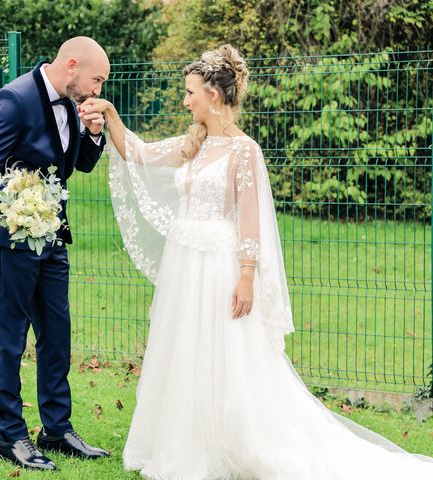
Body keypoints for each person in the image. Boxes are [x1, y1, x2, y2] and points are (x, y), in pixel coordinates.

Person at [80, 44, 433, 479]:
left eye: (190, 92)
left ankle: (232, 442)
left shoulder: (244, 151)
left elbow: (251, 222)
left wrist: (246, 277)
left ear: (213, 95)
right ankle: (181, 445)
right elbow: (139, 153)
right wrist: (111, 116)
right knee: (184, 350)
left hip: (217, 267)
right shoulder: (195, 143)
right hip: (185, 265)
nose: (184, 100)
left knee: (223, 357)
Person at [0, 36, 111, 471]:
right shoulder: (13, 99)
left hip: (53, 238)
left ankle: (56, 428)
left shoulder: (71, 101)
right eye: (97, 80)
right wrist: (20, 200)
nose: (98, 92)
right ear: (72, 66)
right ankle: (10, 435)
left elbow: (78, 164)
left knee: (56, 333)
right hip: (12, 236)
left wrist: (93, 132)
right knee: (9, 338)